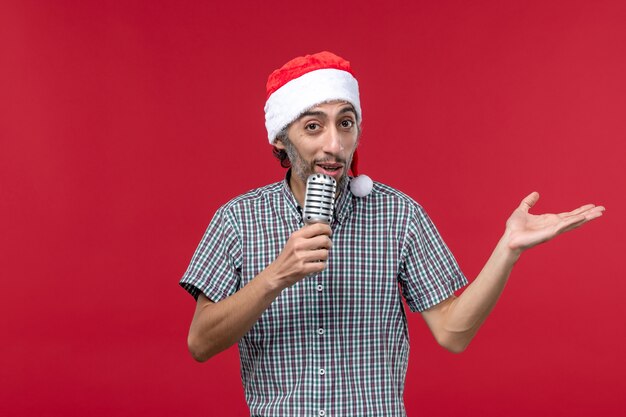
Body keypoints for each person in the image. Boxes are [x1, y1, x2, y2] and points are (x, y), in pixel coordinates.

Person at [179, 51, 604, 416]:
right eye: (313, 127)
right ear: (279, 139)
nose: (333, 144)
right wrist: (275, 277)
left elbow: (453, 333)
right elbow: (200, 343)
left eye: (345, 124)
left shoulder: (397, 215)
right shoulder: (237, 220)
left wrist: (507, 250)